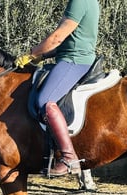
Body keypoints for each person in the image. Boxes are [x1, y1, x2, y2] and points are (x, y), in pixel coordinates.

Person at [15, 0, 100, 177]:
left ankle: (69, 157)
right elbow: (70, 41)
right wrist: (43, 55)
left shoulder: (79, 1)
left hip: (75, 61)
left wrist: (32, 54)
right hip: (71, 57)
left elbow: (57, 37)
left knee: (44, 101)